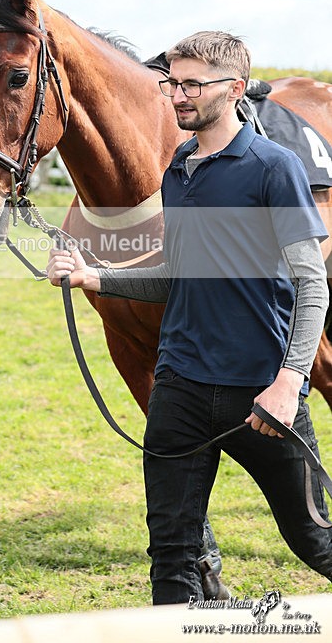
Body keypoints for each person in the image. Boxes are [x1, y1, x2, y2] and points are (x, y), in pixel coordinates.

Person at [47, 31, 332, 604]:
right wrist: (93, 277)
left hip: (259, 391)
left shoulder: (274, 167)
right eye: (173, 83)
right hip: (179, 390)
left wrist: (288, 383)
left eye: (192, 85)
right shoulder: (178, 170)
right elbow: (179, 273)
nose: (177, 96)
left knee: (314, 539)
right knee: (173, 554)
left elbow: (311, 285)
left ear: (234, 89)